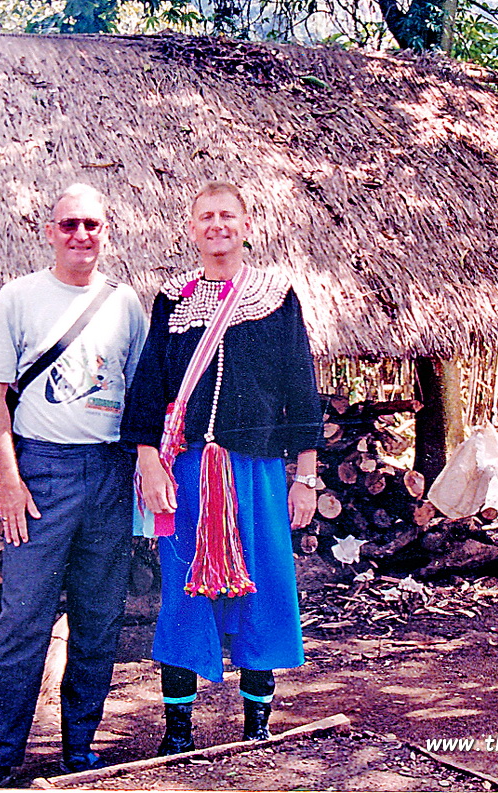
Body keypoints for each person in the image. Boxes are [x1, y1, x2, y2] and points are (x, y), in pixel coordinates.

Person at [121, 181, 321, 755]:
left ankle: (256, 725)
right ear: (192, 228)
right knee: (183, 591)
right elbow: (150, 388)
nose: (217, 225)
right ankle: (177, 731)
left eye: (227, 216)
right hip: (183, 473)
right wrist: (149, 467)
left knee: (266, 588)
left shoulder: (276, 297)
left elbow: (299, 390)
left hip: (255, 471)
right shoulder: (171, 299)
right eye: (206, 216)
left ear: (247, 225)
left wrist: (303, 477)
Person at [0, 183, 148, 787]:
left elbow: (144, 396)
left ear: (106, 230)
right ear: (49, 231)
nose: (80, 236)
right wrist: (9, 481)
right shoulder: (19, 298)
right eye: (68, 224)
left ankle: (79, 751)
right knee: (24, 619)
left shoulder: (127, 305)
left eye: (92, 224)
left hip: (111, 474)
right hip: (41, 471)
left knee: (99, 618)